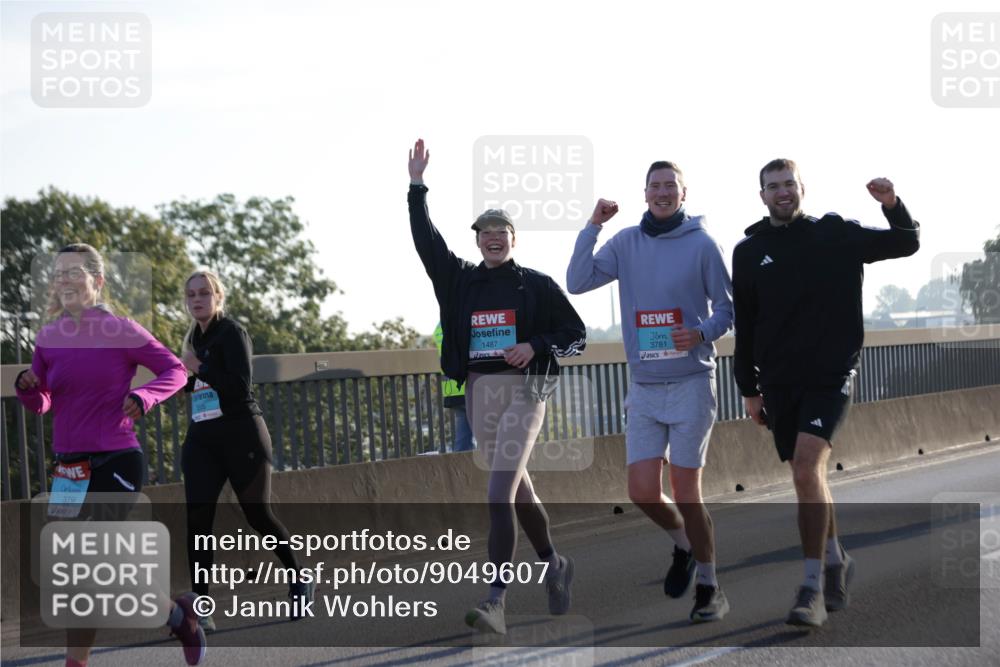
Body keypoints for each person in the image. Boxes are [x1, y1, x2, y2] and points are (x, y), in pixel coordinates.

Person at [407, 138, 586, 634]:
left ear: (513, 238)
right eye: (485, 232)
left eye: (501, 231)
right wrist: (417, 187)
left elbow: (576, 335)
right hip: (479, 393)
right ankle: (555, 563)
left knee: (498, 492)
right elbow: (427, 242)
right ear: (477, 241)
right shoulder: (460, 280)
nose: (493, 238)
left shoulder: (537, 285)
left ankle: (496, 600)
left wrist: (536, 345)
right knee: (519, 491)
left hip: (525, 392)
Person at [732, 159, 920, 627]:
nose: (782, 193)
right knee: (809, 476)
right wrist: (749, 389)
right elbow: (747, 325)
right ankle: (837, 559)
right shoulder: (749, 251)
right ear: (762, 196)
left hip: (830, 376)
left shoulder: (835, 234)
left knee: (805, 464)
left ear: (802, 189)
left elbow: (906, 241)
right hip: (779, 382)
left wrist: (892, 206)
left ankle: (811, 587)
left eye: (788, 184)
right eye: (772, 187)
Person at [14, 243, 206, 667]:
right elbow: (45, 401)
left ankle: (170, 620)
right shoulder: (47, 337)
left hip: (116, 459)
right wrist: (29, 388)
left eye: (74, 272)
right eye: (58, 273)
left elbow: (174, 370)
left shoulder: (121, 330)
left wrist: (145, 395)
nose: (63, 280)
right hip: (69, 468)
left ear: (97, 281)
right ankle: (172, 617)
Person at [567, 162, 734, 622]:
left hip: (691, 382)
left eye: (670, 187)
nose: (662, 193)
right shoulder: (625, 243)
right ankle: (683, 544)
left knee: (686, 493)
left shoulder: (703, 244)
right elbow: (577, 282)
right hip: (643, 384)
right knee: (641, 490)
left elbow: (726, 309)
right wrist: (593, 227)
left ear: (684, 193)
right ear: (644, 193)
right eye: (655, 186)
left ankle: (709, 584)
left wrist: (699, 333)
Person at [179, 270, 315, 632]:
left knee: (257, 514)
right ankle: (200, 607)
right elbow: (193, 387)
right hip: (203, 438)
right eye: (191, 294)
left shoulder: (232, 332)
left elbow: (239, 387)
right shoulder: (192, 339)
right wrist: (183, 377)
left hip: (242, 434)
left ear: (217, 296)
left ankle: (299, 577)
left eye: (204, 293)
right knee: (197, 521)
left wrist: (200, 368)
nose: (197, 299)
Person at [433, 321, 476, 452]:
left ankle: (464, 470)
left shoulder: (440, 325)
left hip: (454, 389)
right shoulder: (467, 318)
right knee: (496, 439)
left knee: (464, 440)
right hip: (472, 386)